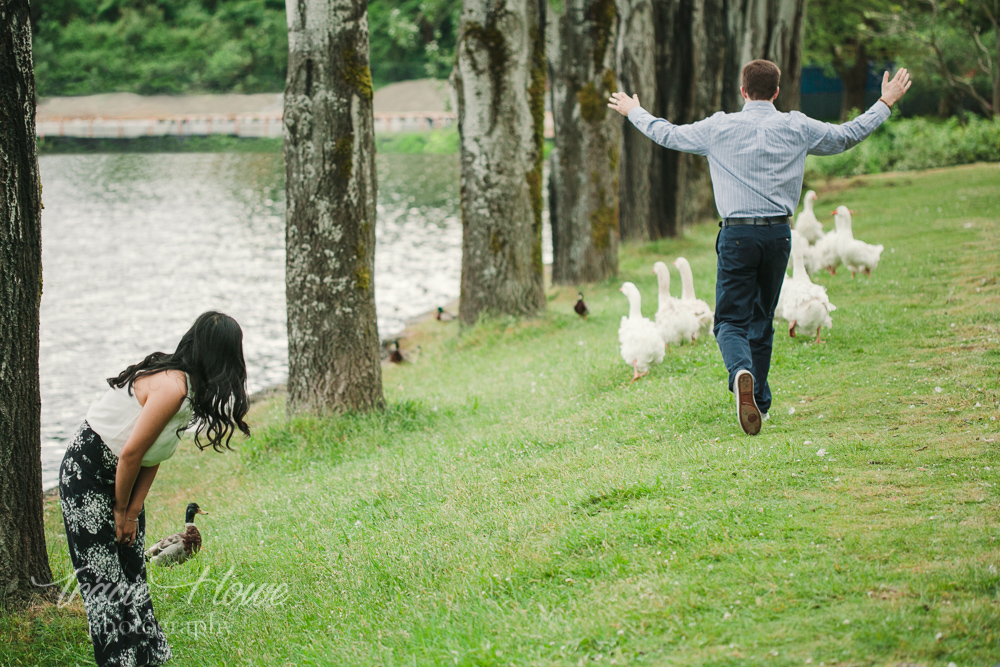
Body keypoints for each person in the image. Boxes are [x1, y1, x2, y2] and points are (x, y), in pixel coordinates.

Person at [608, 60, 911, 435]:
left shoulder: (719, 126)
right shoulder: (798, 125)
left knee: (730, 322)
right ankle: (760, 405)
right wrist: (884, 102)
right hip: (779, 235)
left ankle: (741, 374)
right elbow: (845, 135)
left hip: (738, 236)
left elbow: (669, 135)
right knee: (762, 320)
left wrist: (633, 110)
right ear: (777, 92)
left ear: (743, 91)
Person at [58, 311, 251, 666]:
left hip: (123, 476)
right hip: (88, 471)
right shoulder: (172, 386)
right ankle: (120, 661)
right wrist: (122, 511)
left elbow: (152, 454)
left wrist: (131, 511)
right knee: (105, 583)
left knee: (132, 573)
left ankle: (148, 658)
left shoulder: (190, 393)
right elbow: (131, 452)